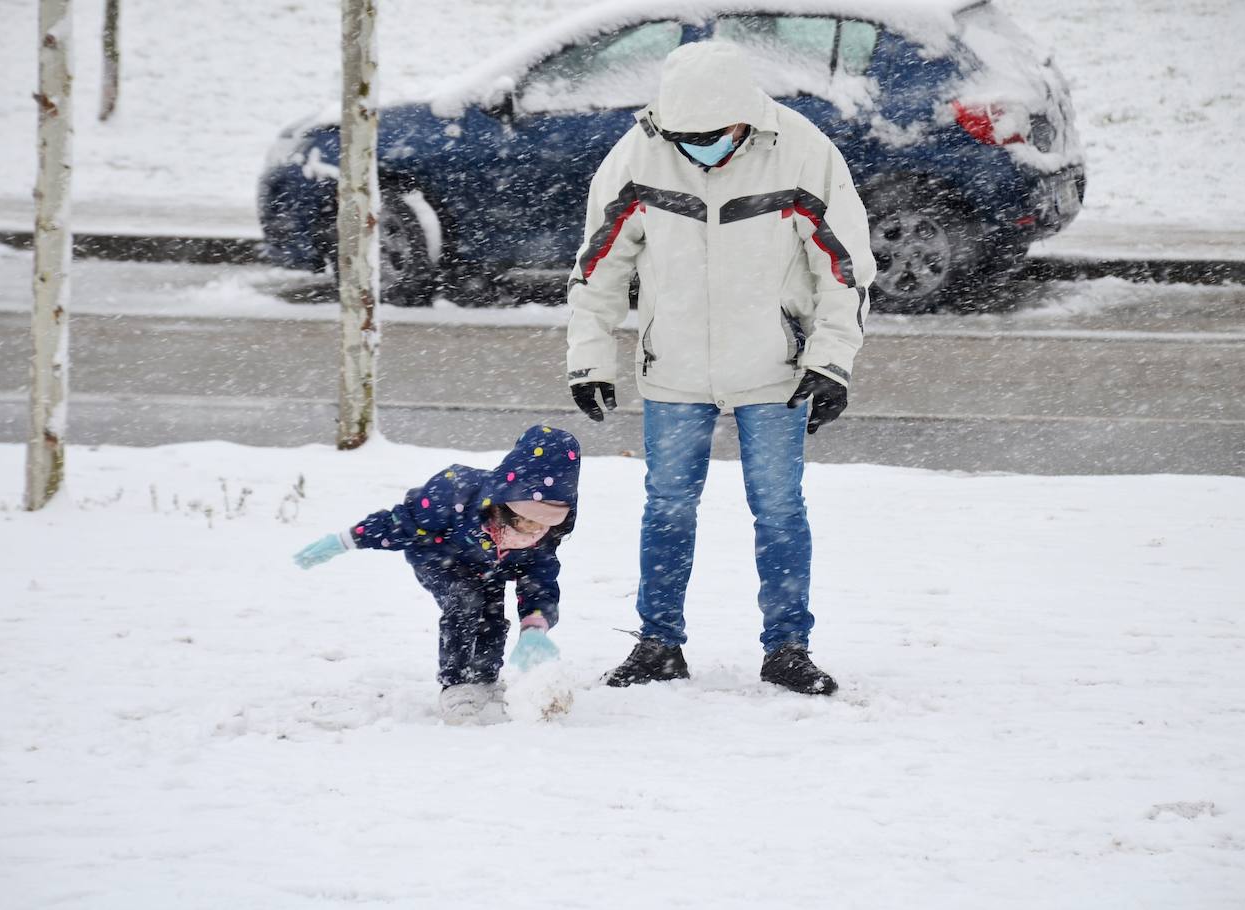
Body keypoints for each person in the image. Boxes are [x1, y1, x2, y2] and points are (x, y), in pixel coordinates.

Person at [566, 41, 874, 696]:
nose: (697, 146)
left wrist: (832, 361)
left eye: (712, 136)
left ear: (745, 118)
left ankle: (788, 648)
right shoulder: (639, 153)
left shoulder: (803, 152)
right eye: (686, 137)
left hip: (776, 369)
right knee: (668, 508)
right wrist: (589, 358)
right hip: (673, 365)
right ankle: (658, 644)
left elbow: (843, 269)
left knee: (779, 509)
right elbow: (597, 269)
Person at [292, 425, 581, 724]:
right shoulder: (455, 493)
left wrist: (534, 627)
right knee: (465, 601)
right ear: (504, 503)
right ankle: (454, 684)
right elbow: (399, 523)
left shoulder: (543, 540)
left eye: (545, 524)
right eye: (525, 521)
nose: (534, 532)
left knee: (492, 614)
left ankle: (483, 679)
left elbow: (540, 583)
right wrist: (345, 540)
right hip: (439, 557)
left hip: (490, 568)